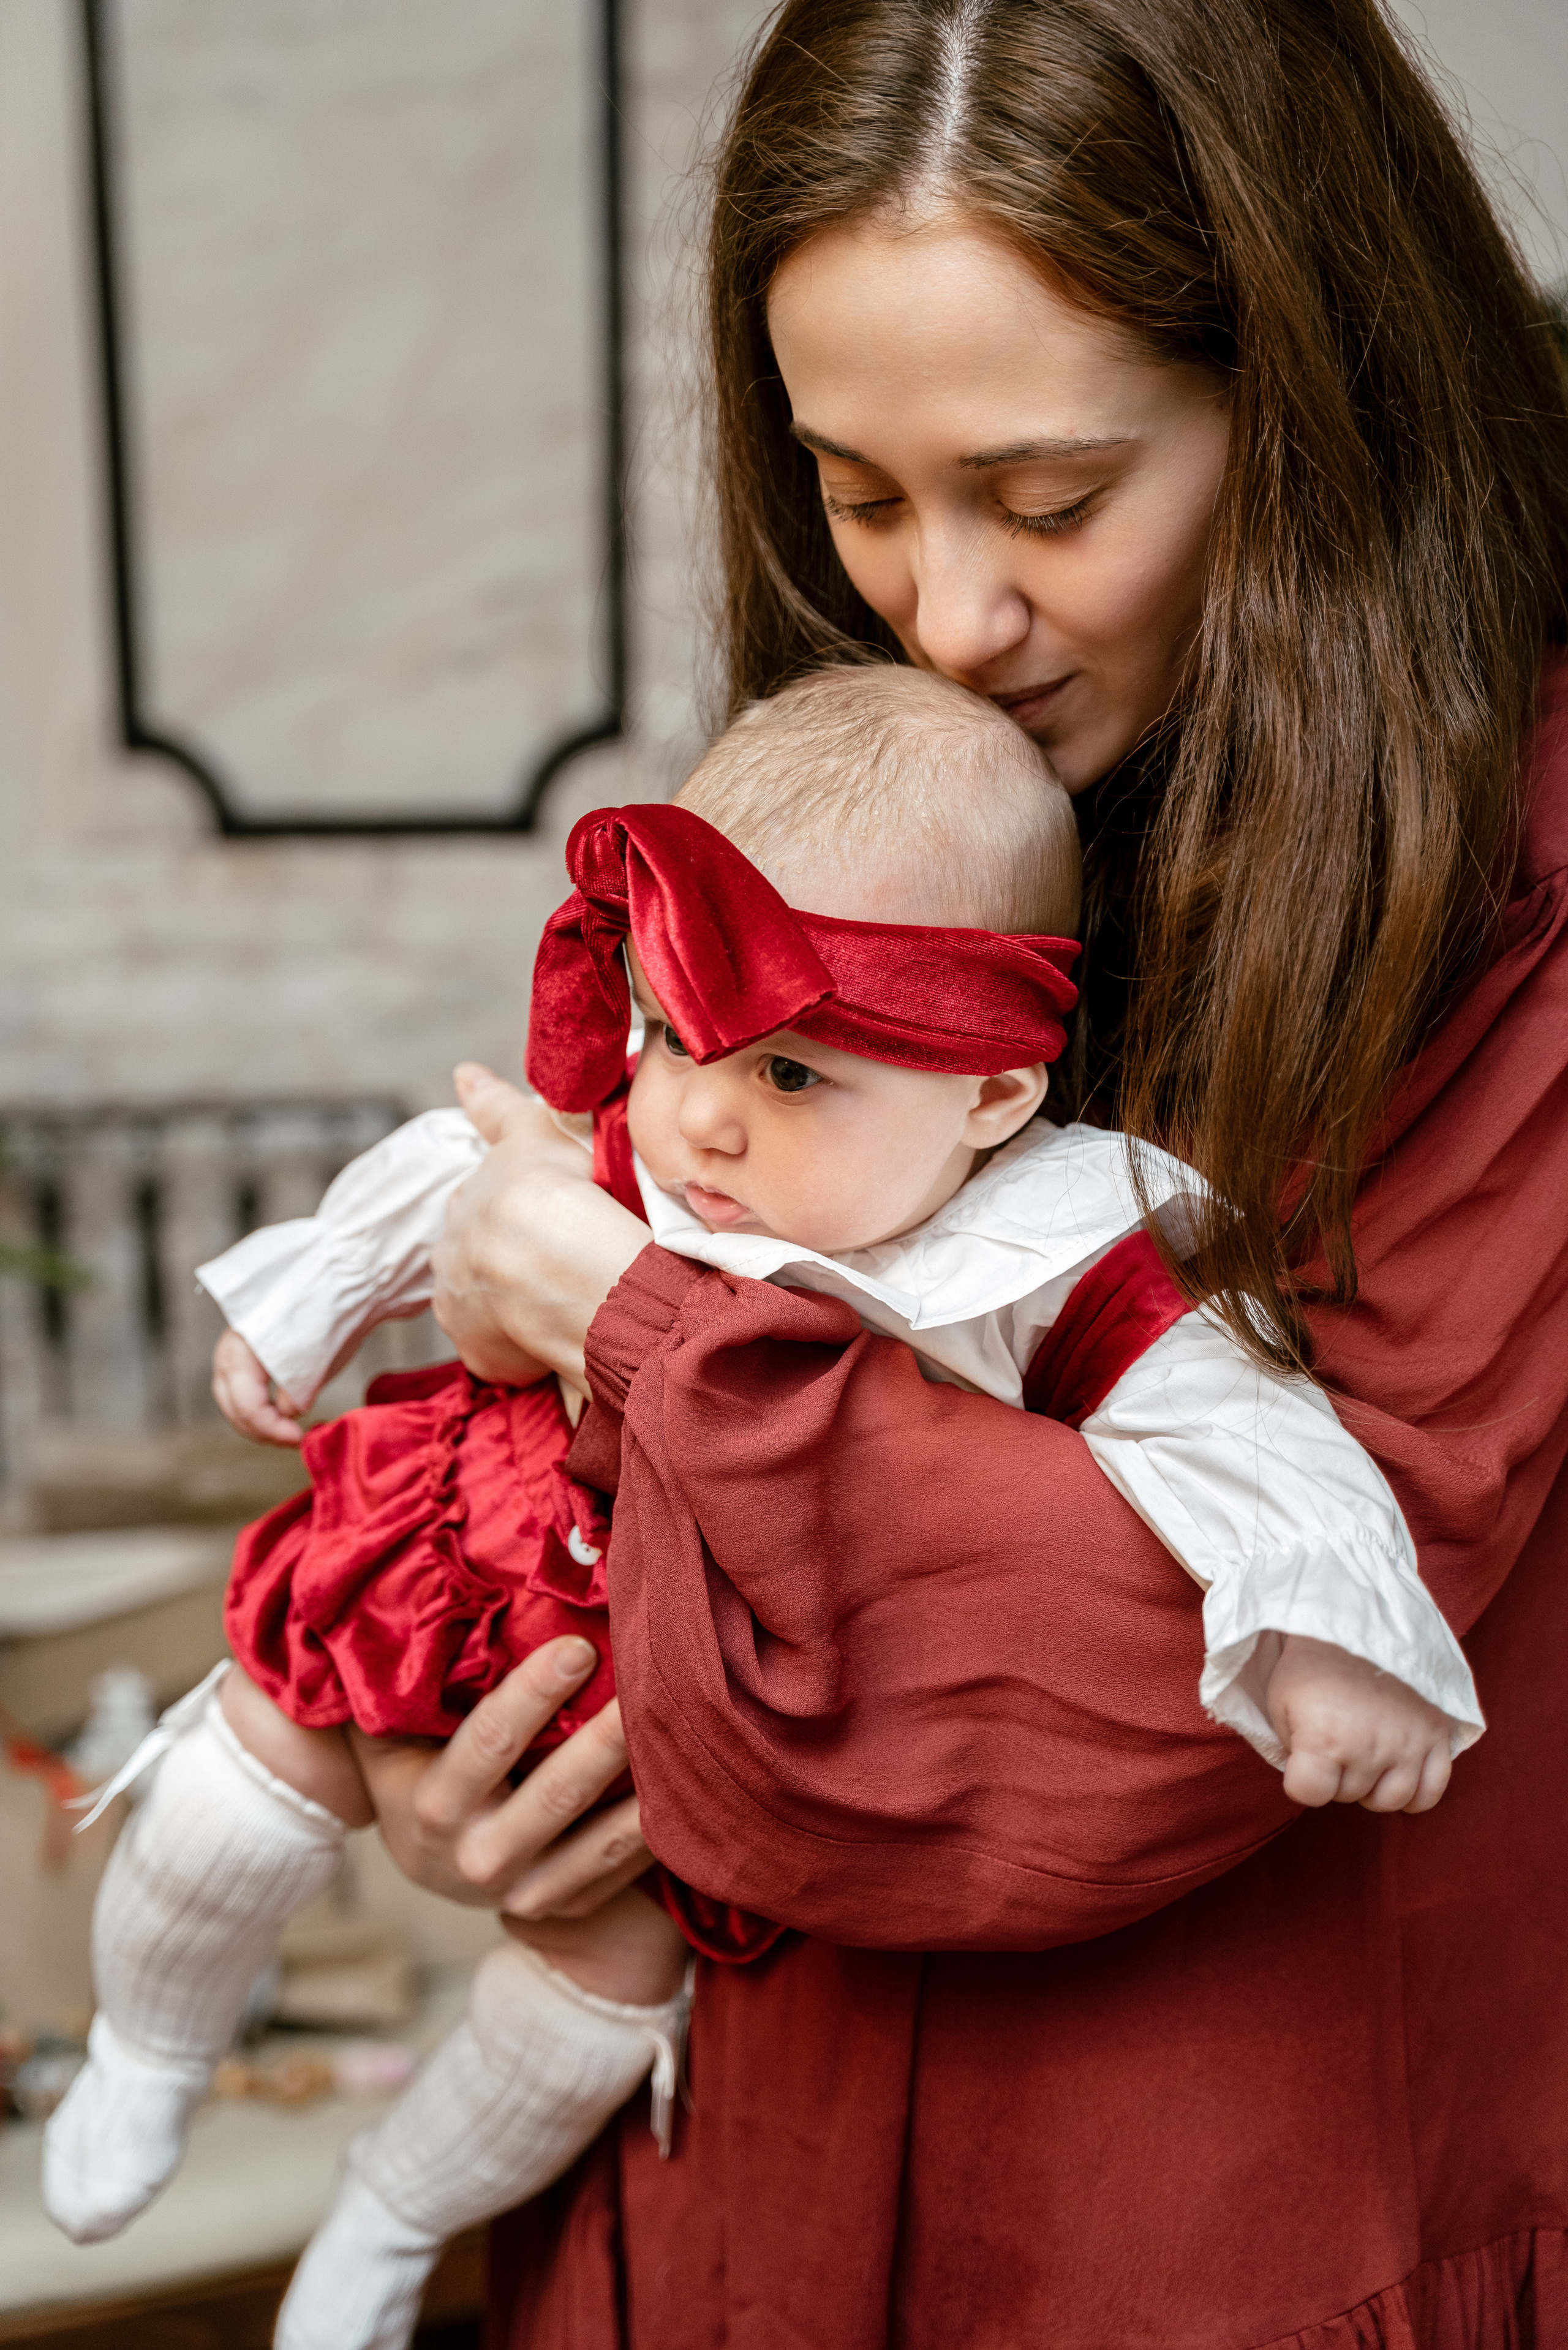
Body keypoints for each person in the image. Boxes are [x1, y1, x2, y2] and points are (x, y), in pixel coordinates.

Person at [239, 2, 1568, 2341]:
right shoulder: (938, 799)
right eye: (859, 495)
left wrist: (633, 1327)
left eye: (1050, 501)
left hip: (1177, 2240)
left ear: (1317, 404)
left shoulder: (1517, 892)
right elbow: (629, 1554)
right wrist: (483, 1758)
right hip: (727, 2185)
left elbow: (1142, 1681)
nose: (949, 619)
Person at [51, 667, 1477, 2350]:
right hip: (474, 1545)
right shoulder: (656, 1140)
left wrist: (1323, 1629)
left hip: (676, 1689)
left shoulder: (1045, 1251)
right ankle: (147, 2048)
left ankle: (393, 2215)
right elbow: (454, 1171)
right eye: (673, 1033)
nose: (702, 1114)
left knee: (602, 1991)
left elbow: (1239, 1425)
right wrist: (302, 1311)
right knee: (245, 1765)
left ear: (991, 1096)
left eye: (794, 1074)